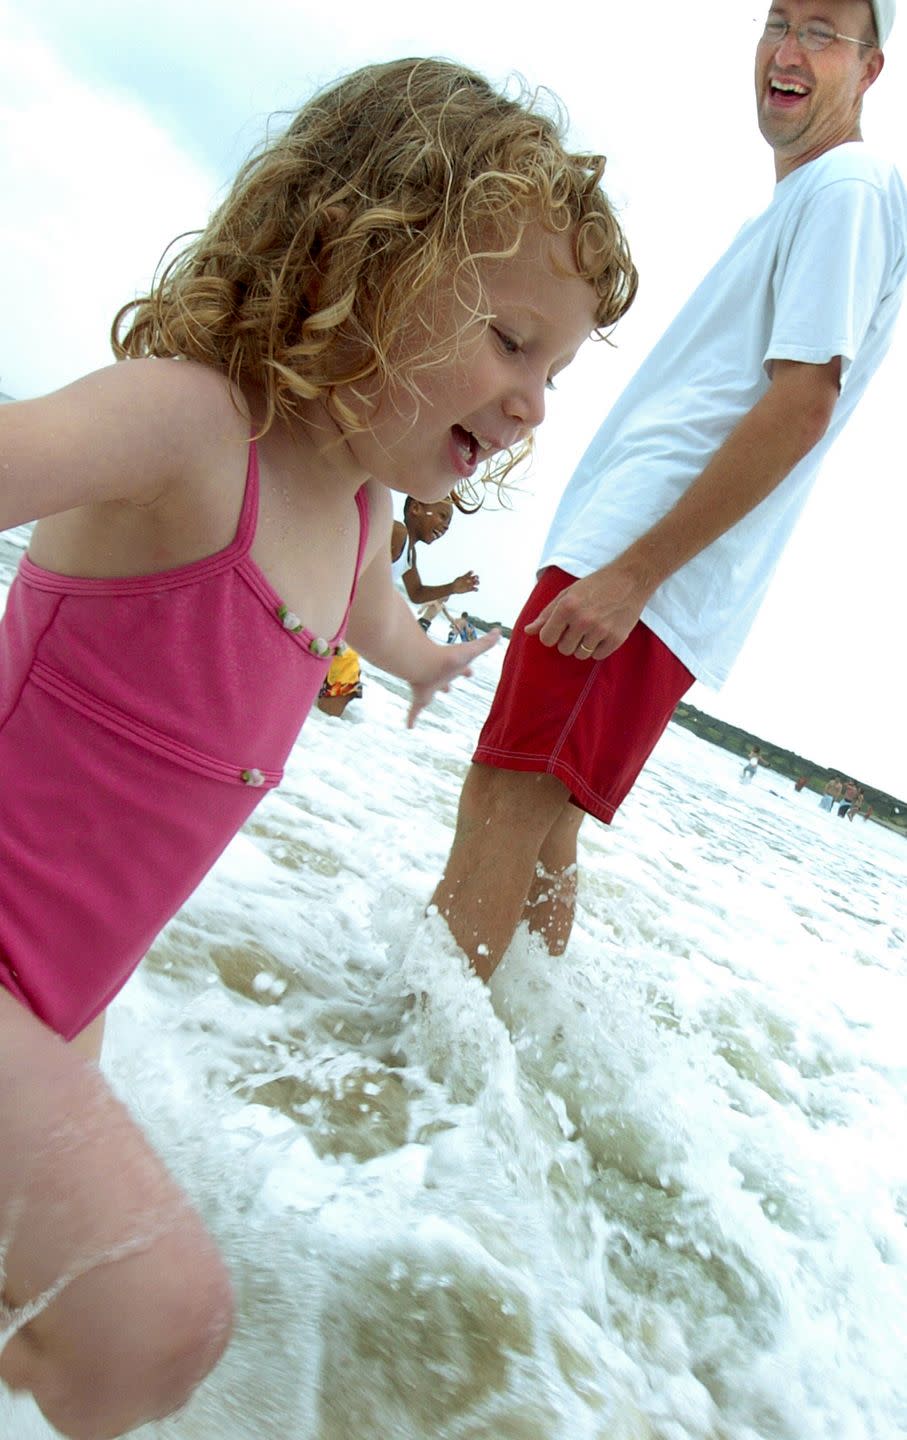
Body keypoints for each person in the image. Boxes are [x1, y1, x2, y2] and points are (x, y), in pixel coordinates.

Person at [0, 58, 637, 1438]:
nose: (532, 402)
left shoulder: (348, 518)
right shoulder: (185, 426)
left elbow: (379, 628)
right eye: (510, 341)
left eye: (556, 373)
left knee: (54, 1313)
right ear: (362, 253)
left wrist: (427, 666)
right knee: (156, 1318)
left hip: (61, 1006)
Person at [433, 0, 904, 980]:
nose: (785, 50)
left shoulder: (848, 187)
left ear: (870, 68)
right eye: (776, 20)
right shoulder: (810, 197)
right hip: (636, 565)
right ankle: (510, 1060)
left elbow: (803, 400)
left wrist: (633, 574)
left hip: (641, 566)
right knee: (538, 821)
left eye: (821, 31)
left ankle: (404, 1081)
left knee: (501, 801)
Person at [317, 491, 480, 714]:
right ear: (416, 509)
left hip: (339, 623)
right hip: (333, 617)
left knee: (335, 688)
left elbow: (417, 593)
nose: (445, 527)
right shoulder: (396, 532)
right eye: (442, 516)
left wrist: (453, 587)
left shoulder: (409, 553)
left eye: (448, 523)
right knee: (341, 688)